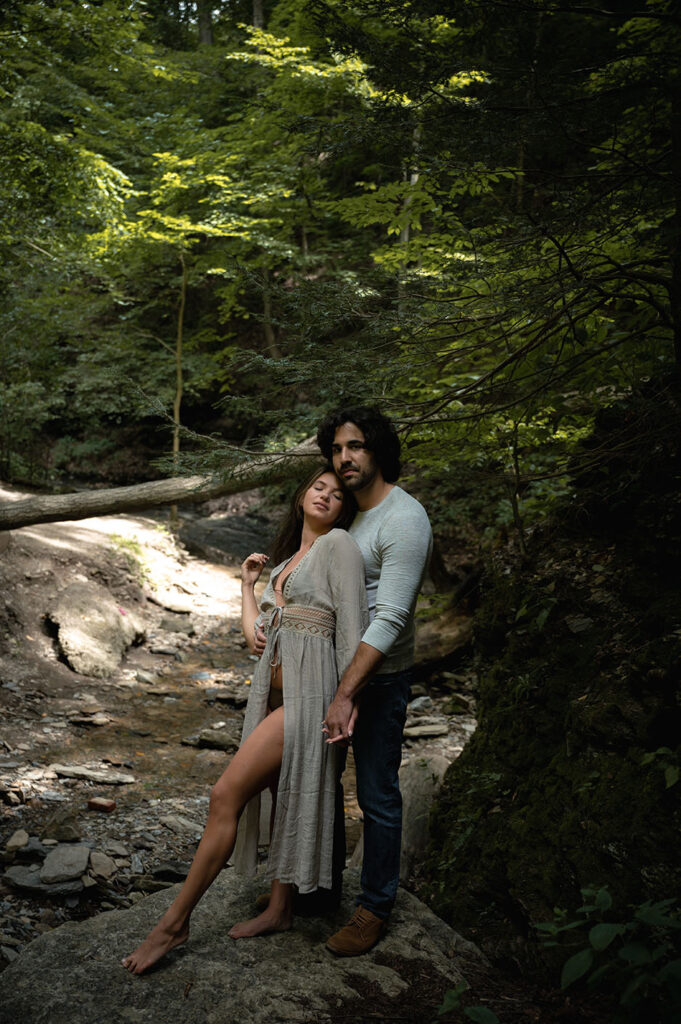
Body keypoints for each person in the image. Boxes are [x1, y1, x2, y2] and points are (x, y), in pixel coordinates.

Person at [121, 465, 368, 975]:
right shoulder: (286, 565)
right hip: (275, 701)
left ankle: (175, 922)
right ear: (302, 495)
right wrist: (248, 587)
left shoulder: (338, 545)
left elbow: (353, 628)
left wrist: (347, 698)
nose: (326, 496)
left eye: (337, 493)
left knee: (223, 795)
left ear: (346, 508)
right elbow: (257, 638)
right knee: (281, 797)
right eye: (318, 487)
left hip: (313, 699)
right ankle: (280, 909)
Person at [317, 405, 433, 957]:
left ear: (378, 448)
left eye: (356, 446)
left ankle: (374, 908)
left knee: (377, 795)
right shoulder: (349, 515)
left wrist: (346, 694)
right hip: (328, 672)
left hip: (378, 681)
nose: (345, 458)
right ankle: (323, 887)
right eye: (338, 449)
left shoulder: (404, 518)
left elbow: (390, 617)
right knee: (320, 785)